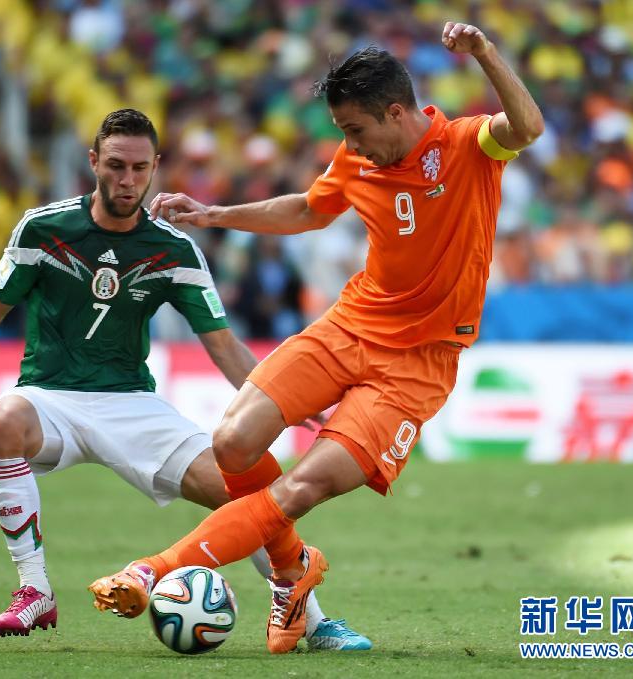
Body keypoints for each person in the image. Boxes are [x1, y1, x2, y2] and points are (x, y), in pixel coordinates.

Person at [89, 23, 544, 654]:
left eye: (355, 129)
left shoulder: (467, 146)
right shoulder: (357, 156)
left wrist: (487, 54)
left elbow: (527, 129)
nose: (348, 143)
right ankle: (293, 575)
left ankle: (151, 570)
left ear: (394, 113)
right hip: (350, 324)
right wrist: (218, 215)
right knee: (233, 442)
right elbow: (307, 209)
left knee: (301, 486)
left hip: (417, 363)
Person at [0, 108, 370, 650]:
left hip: (131, 406)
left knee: (244, 493)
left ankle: (310, 618)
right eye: (117, 166)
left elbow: (222, 344)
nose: (127, 181)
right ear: (94, 161)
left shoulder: (171, 247)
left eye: (140, 169)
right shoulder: (43, 228)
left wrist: (286, 399)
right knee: (3, 418)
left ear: (155, 168)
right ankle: (34, 591)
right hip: (49, 398)